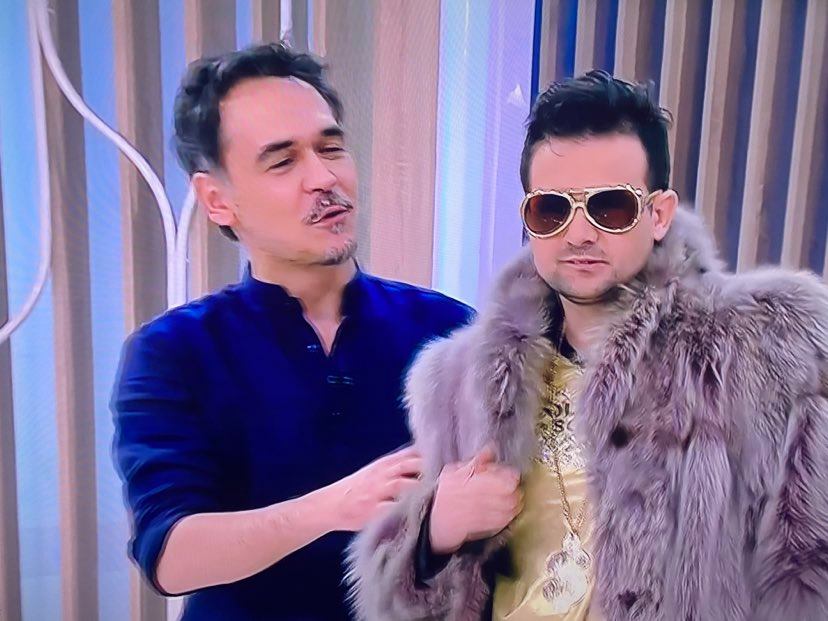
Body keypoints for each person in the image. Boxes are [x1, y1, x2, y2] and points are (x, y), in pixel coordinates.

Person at [348, 70, 828, 621]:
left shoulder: (766, 352)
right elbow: (398, 599)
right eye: (552, 209)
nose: (578, 233)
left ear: (658, 214)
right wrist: (434, 535)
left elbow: (809, 574)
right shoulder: (459, 380)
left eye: (610, 207)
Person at [112, 42, 472, 620]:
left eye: (331, 148)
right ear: (217, 200)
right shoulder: (171, 352)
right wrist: (331, 508)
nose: (324, 178)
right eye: (283, 162)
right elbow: (171, 555)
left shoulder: (449, 331)